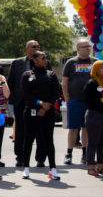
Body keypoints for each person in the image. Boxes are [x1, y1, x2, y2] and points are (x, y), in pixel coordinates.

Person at [7, 40, 50, 168]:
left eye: (38, 46)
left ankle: (40, 159)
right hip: (21, 103)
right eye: (34, 46)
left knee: (40, 132)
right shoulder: (17, 63)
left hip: (40, 104)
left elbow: (50, 81)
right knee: (21, 131)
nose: (37, 48)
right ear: (27, 48)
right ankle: (20, 158)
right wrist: (13, 99)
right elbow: (11, 82)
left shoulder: (46, 63)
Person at [20, 51, 60, 180]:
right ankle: (26, 167)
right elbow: (26, 94)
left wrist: (47, 105)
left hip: (48, 111)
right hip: (32, 111)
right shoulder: (27, 75)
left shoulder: (51, 75)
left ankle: (53, 168)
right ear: (35, 60)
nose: (45, 60)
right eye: (42, 58)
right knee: (29, 139)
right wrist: (39, 104)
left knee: (48, 139)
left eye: (45, 58)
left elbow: (56, 92)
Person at [62, 39, 97, 165]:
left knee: (86, 128)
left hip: (90, 102)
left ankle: (85, 154)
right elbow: (65, 82)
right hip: (75, 101)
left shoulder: (95, 62)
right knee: (73, 129)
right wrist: (67, 98)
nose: (88, 48)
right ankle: (69, 154)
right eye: (84, 46)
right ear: (78, 49)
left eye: (89, 46)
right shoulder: (71, 63)